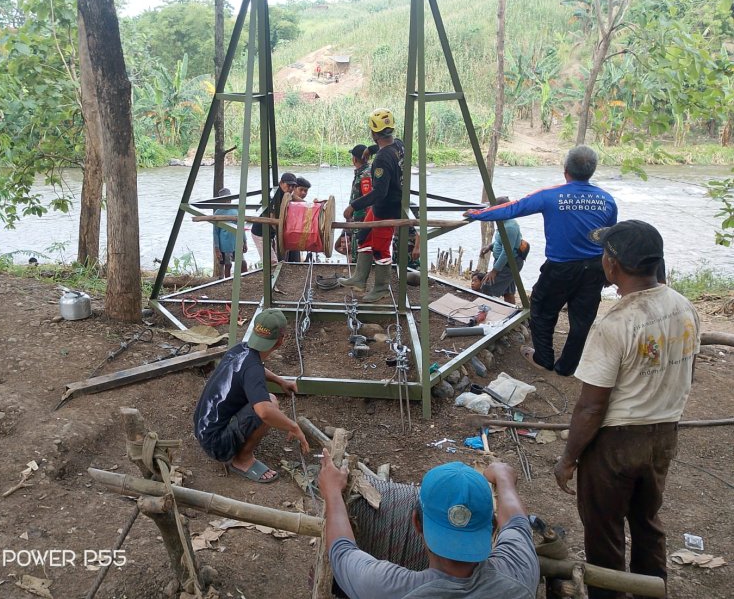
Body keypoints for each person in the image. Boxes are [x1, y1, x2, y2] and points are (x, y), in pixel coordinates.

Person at [553, 220, 700, 599]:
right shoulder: (683, 306)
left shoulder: (615, 323)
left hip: (616, 443)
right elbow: (687, 371)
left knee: (604, 531)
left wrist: (568, 458)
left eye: (605, 254)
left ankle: (610, 594)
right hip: (663, 436)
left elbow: (591, 406)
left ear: (612, 265)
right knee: (648, 522)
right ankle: (653, 590)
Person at [464, 145, 617, 376]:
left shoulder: (550, 195)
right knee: (582, 319)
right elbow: (610, 238)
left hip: (561, 268)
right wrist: (609, 273)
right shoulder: (607, 200)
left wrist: (477, 214)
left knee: (541, 308)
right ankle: (567, 367)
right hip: (595, 268)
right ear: (592, 171)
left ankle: (544, 358)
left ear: (566, 170)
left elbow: (512, 208)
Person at [319, 454, 539, 599]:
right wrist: (504, 478)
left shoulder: (387, 588)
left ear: (416, 522)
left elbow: (341, 551)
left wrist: (332, 492)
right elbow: (516, 522)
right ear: (492, 529)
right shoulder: (520, 573)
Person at [193, 309, 310, 483]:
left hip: (203, 428)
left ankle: (235, 443)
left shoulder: (240, 349)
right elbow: (264, 412)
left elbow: (253, 370)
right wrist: (293, 426)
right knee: (269, 403)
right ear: (281, 340)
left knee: (264, 401)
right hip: (216, 444)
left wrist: (279, 380)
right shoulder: (253, 369)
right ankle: (242, 460)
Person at [338, 109, 404, 302]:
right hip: (382, 207)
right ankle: (359, 278)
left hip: (387, 209)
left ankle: (382, 287)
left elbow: (379, 192)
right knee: (364, 235)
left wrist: (353, 205)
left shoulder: (383, 159)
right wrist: (371, 149)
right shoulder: (398, 145)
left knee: (380, 249)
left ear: (374, 133)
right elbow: (389, 144)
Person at [477, 196, 527, 304]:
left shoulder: (510, 227)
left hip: (510, 263)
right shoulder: (502, 221)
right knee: (508, 292)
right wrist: (490, 247)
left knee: (487, 286)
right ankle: (513, 315)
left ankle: (487, 313)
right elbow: (502, 241)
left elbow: (507, 252)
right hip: (505, 262)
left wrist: (494, 271)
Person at [250, 172, 297, 265]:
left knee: (278, 258)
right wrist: (281, 234)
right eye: (288, 185)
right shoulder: (275, 195)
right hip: (260, 232)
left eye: (293, 186)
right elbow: (272, 218)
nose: (291, 188)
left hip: (270, 233)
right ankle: (269, 278)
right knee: (272, 261)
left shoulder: (285, 195)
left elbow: (294, 197)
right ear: (281, 183)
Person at [339, 144, 373, 263]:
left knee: (359, 255)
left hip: (362, 221)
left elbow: (369, 199)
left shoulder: (365, 175)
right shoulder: (363, 173)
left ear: (354, 159)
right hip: (358, 221)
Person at [213, 187, 247, 278]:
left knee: (243, 264)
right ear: (221, 201)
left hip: (237, 243)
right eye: (225, 199)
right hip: (225, 245)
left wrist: (245, 241)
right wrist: (217, 248)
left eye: (229, 199)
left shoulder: (236, 210)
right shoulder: (218, 213)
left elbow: (241, 227)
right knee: (228, 265)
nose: (228, 201)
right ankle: (227, 282)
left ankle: (245, 280)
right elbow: (215, 232)